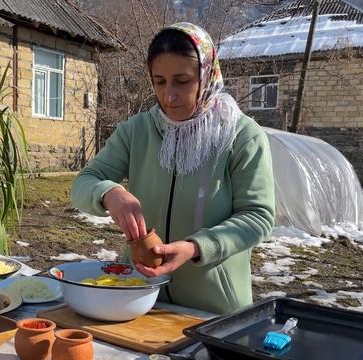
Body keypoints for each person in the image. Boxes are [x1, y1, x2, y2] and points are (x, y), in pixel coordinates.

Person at [70, 22, 275, 314]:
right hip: (136, 296)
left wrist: (196, 248)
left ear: (206, 75)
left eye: (182, 80)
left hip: (213, 307)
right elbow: (83, 183)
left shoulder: (241, 135)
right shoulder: (137, 131)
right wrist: (108, 192)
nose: (169, 96)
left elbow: (258, 216)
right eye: (160, 81)